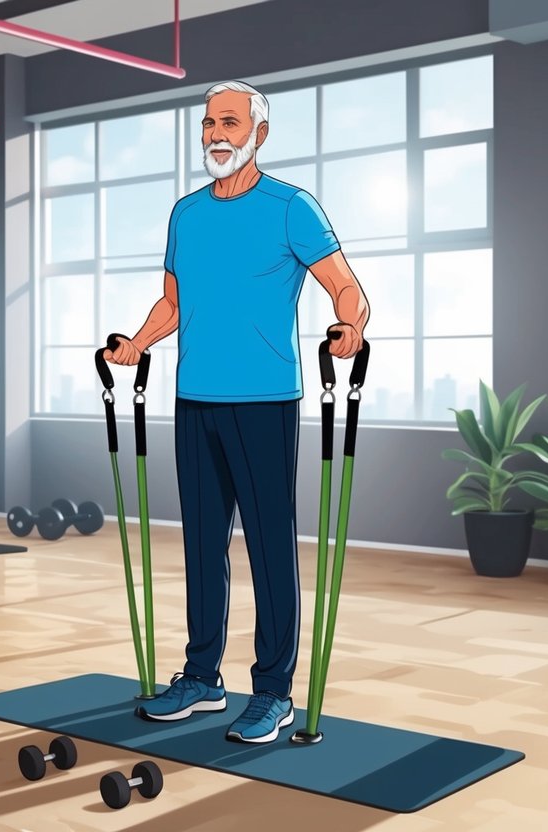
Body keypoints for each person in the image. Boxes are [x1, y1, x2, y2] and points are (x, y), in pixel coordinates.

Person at [102, 80, 370, 743]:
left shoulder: (290, 208)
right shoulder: (186, 215)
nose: (215, 134)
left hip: (263, 404)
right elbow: (172, 303)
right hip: (195, 402)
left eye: (228, 121)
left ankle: (273, 691)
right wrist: (136, 344)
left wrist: (350, 328)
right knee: (201, 545)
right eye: (206, 124)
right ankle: (201, 678)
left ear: (259, 132)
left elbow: (344, 287)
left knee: (270, 549)